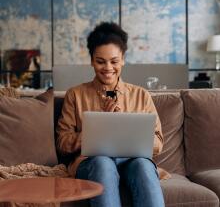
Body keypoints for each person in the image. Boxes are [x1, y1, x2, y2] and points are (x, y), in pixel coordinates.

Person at [56, 22, 165, 207]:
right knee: (103, 163)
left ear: (123, 59)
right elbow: (62, 142)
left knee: (143, 165)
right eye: (100, 61)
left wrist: (127, 132)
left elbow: (158, 143)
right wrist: (96, 132)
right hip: (92, 163)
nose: (108, 68)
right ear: (91, 60)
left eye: (114, 61)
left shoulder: (141, 95)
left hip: (133, 161)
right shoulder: (75, 95)